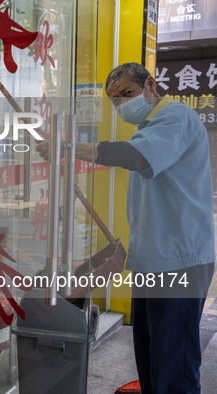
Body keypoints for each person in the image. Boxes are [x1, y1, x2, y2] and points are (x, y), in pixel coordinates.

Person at [36, 62, 214, 394]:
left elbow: (137, 157)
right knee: (151, 353)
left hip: (181, 262)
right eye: (115, 100)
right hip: (153, 261)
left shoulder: (176, 117)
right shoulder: (149, 126)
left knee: (175, 360)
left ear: (149, 84)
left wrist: (69, 148)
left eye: (127, 94)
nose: (121, 105)